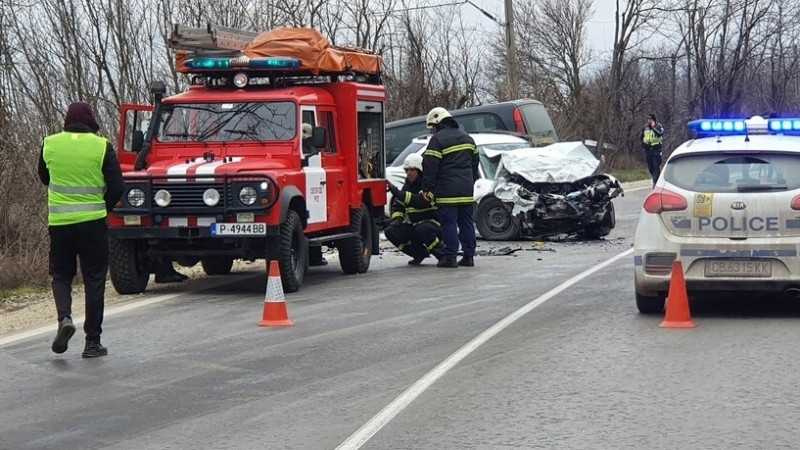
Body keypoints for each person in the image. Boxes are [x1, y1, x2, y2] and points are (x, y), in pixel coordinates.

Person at [38, 101, 124, 358]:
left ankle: (64, 318)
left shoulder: (50, 143)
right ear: (91, 120)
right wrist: (102, 208)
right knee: (95, 279)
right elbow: (117, 186)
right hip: (93, 224)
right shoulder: (101, 146)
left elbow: (45, 177)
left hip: (60, 225)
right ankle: (92, 342)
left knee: (62, 276)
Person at [421, 107, 478, 268]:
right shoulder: (468, 139)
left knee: (449, 223)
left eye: (432, 126)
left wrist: (427, 188)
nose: (432, 130)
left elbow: (430, 166)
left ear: (438, 123)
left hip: (447, 190)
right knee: (466, 222)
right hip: (466, 189)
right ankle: (469, 256)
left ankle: (451, 257)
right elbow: (475, 164)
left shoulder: (437, 140)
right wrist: (470, 182)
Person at [385, 154, 445, 265]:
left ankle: (442, 255)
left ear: (420, 170)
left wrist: (397, 192)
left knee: (423, 229)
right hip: (415, 225)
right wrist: (397, 219)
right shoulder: (407, 186)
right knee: (390, 231)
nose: (408, 173)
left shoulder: (428, 185)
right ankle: (419, 253)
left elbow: (420, 201)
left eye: (412, 170)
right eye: (407, 170)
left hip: (434, 225)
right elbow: (398, 205)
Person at [642, 113, 664, 187]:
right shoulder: (645, 127)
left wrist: (653, 127)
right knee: (650, 166)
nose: (649, 121)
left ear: (654, 120)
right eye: (648, 119)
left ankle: (655, 182)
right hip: (648, 150)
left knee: (656, 165)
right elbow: (641, 137)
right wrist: (644, 145)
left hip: (656, 149)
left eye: (650, 119)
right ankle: (656, 178)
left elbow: (660, 134)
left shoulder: (659, 127)